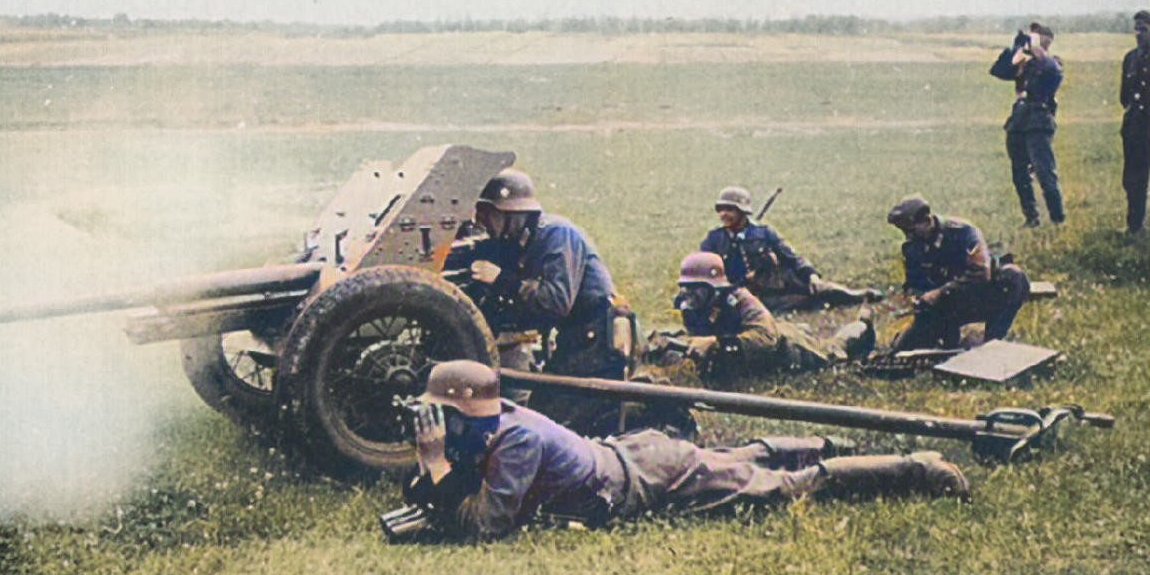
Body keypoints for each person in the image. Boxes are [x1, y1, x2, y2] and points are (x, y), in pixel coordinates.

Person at [400, 360, 969, 542]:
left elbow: (487, 526)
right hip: (635, 455)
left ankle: (913, 469)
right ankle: (818, 440)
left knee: (781, 486)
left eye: (440, 414)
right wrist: (436, 469)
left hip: (642, 479)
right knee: (737, 459)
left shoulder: (514, 439)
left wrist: (435, 468)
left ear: (461, 413)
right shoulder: (494, 424)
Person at [457, 168, 632, 430]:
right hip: (577, 337)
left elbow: (556, 302)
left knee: (564, 420)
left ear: (511, 214)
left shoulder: (557, 235)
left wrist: (501, 279)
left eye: (487, 213)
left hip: (598, 339)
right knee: (546, 410)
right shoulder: (519, 242)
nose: (481, 220)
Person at [642, 252, 874, 384]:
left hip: (786, 350)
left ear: (715, 288)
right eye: (686, 288)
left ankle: (861, 326)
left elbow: (766, 339)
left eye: (697, 289)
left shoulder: (739, 299)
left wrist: (716, 343)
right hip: (747, 356)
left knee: (832, 353)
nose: (689, 295)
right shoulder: (691, 306)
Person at [698, 186, 881, 311]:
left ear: (742, 212)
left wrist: (811, 275)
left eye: (729, 209)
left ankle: (857, 296)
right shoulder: (714, 239)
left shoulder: (764, 234)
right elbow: (704, 270)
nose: (723, 215)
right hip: (745, 295)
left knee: (819, 290)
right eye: (721, 209)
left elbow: (792, 258)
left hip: (776, 285)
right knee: (797, 303)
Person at [887, 196, 1030, 351]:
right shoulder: (912, 248)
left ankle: (992, 341)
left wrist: (939, 293)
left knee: (1013, 277)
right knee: (904, 349)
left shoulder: (962, 233)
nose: (908, 236)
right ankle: (950, 343)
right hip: (947, 305)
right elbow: (914, 285)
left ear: (927, 221)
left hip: (980, 295)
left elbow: (981, 273)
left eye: (911, 231)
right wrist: (916, 298)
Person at [990, 22, 1066, 227]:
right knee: (1019, 173)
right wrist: (1016, 48)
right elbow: (998, 71)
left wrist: (1035, 49)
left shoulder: (1051, 63)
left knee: (1044, 172)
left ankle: (1057, 218)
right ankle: (1031, 217)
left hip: (1039, 121)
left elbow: (1053, 72)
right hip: (1019, 121)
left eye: (1037, 37)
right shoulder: (1023, 63)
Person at [1121, 10, 1150, 237]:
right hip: (1135, 128)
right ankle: (1135, 226)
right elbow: (1124, 97)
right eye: (1136, 29)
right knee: (1134, 179)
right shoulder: (1130, 58)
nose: (1138, 34)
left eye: (1144, 29)